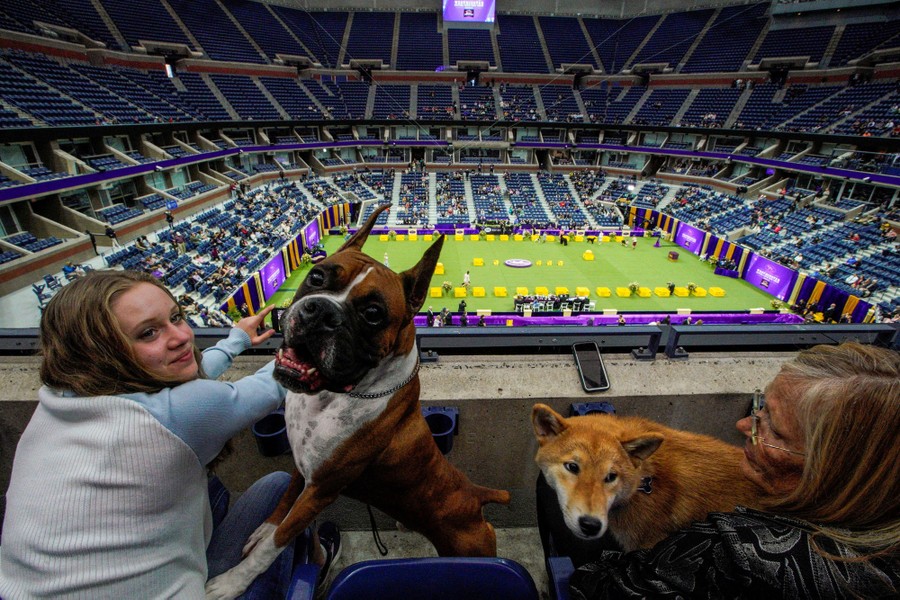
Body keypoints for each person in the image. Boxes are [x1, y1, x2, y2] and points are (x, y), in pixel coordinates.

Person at [0, 271, 339, 598]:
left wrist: (236, 340)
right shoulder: (175, 417)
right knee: (280, 486)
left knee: (212, 490)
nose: (181, 337)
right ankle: (317, 565)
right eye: (148, 333)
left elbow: (172, 375)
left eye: (176, 317)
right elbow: (277, 379)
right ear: (101, 354)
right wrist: (320, 336)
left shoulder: (58, 397)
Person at [540, 342, 900, 598]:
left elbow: (605, 590)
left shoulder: (736, 551)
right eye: (760, 408)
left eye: (772, 427)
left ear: (831, 468)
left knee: (549, 493)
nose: (745, 424)